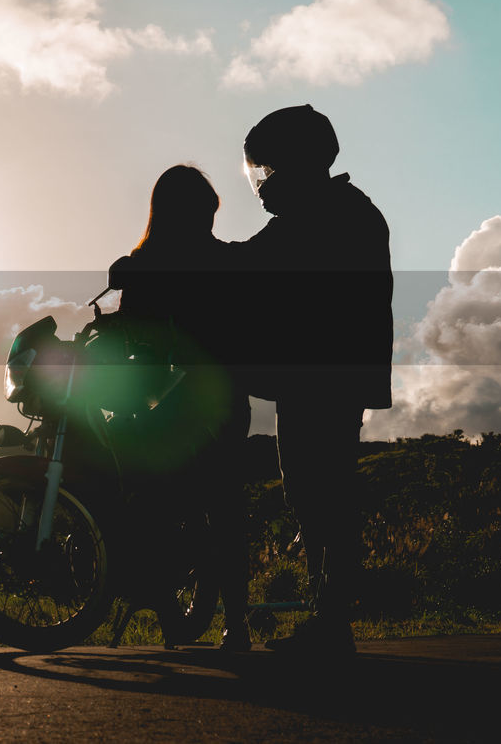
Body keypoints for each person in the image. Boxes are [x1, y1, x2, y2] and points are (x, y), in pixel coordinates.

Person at [236, 105, 393, 655]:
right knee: (312, 491)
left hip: (320, 381)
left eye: (270, 169)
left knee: (319, 491)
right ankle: (328, 616)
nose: (263, 183)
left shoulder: (323, 216)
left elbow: (243, 266)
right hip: (320, 379)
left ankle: (332, 620)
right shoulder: (334, 210)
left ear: (297, 163)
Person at [108, 164, 253, 652]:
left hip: (187, 398)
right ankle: (232, 622)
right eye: (202, 212)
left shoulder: (149, 265)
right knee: (220, 507)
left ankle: (225, 617)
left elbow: (130, 331)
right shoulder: (171, 264)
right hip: (208, 396)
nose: (208, 223)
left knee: (183, 503)